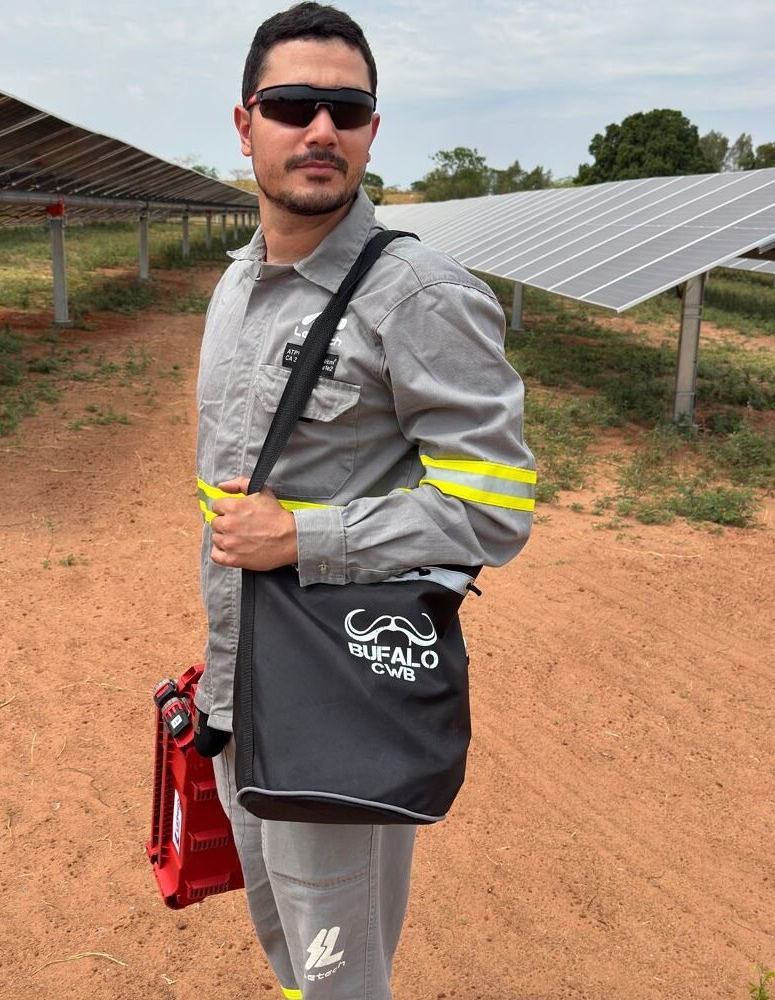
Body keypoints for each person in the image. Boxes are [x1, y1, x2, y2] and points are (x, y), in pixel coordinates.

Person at [192, 4, 535, 997]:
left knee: (340, 970)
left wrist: (306, 536)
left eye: (347, 109)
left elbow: (493, 507)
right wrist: (225, 653)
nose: (320, 130)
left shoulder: (420, 295)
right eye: (294, 105)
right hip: (245, 681)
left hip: (332, 695)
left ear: (373, 131)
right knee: (288, 945)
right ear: (246, 120)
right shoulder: (232, 289)